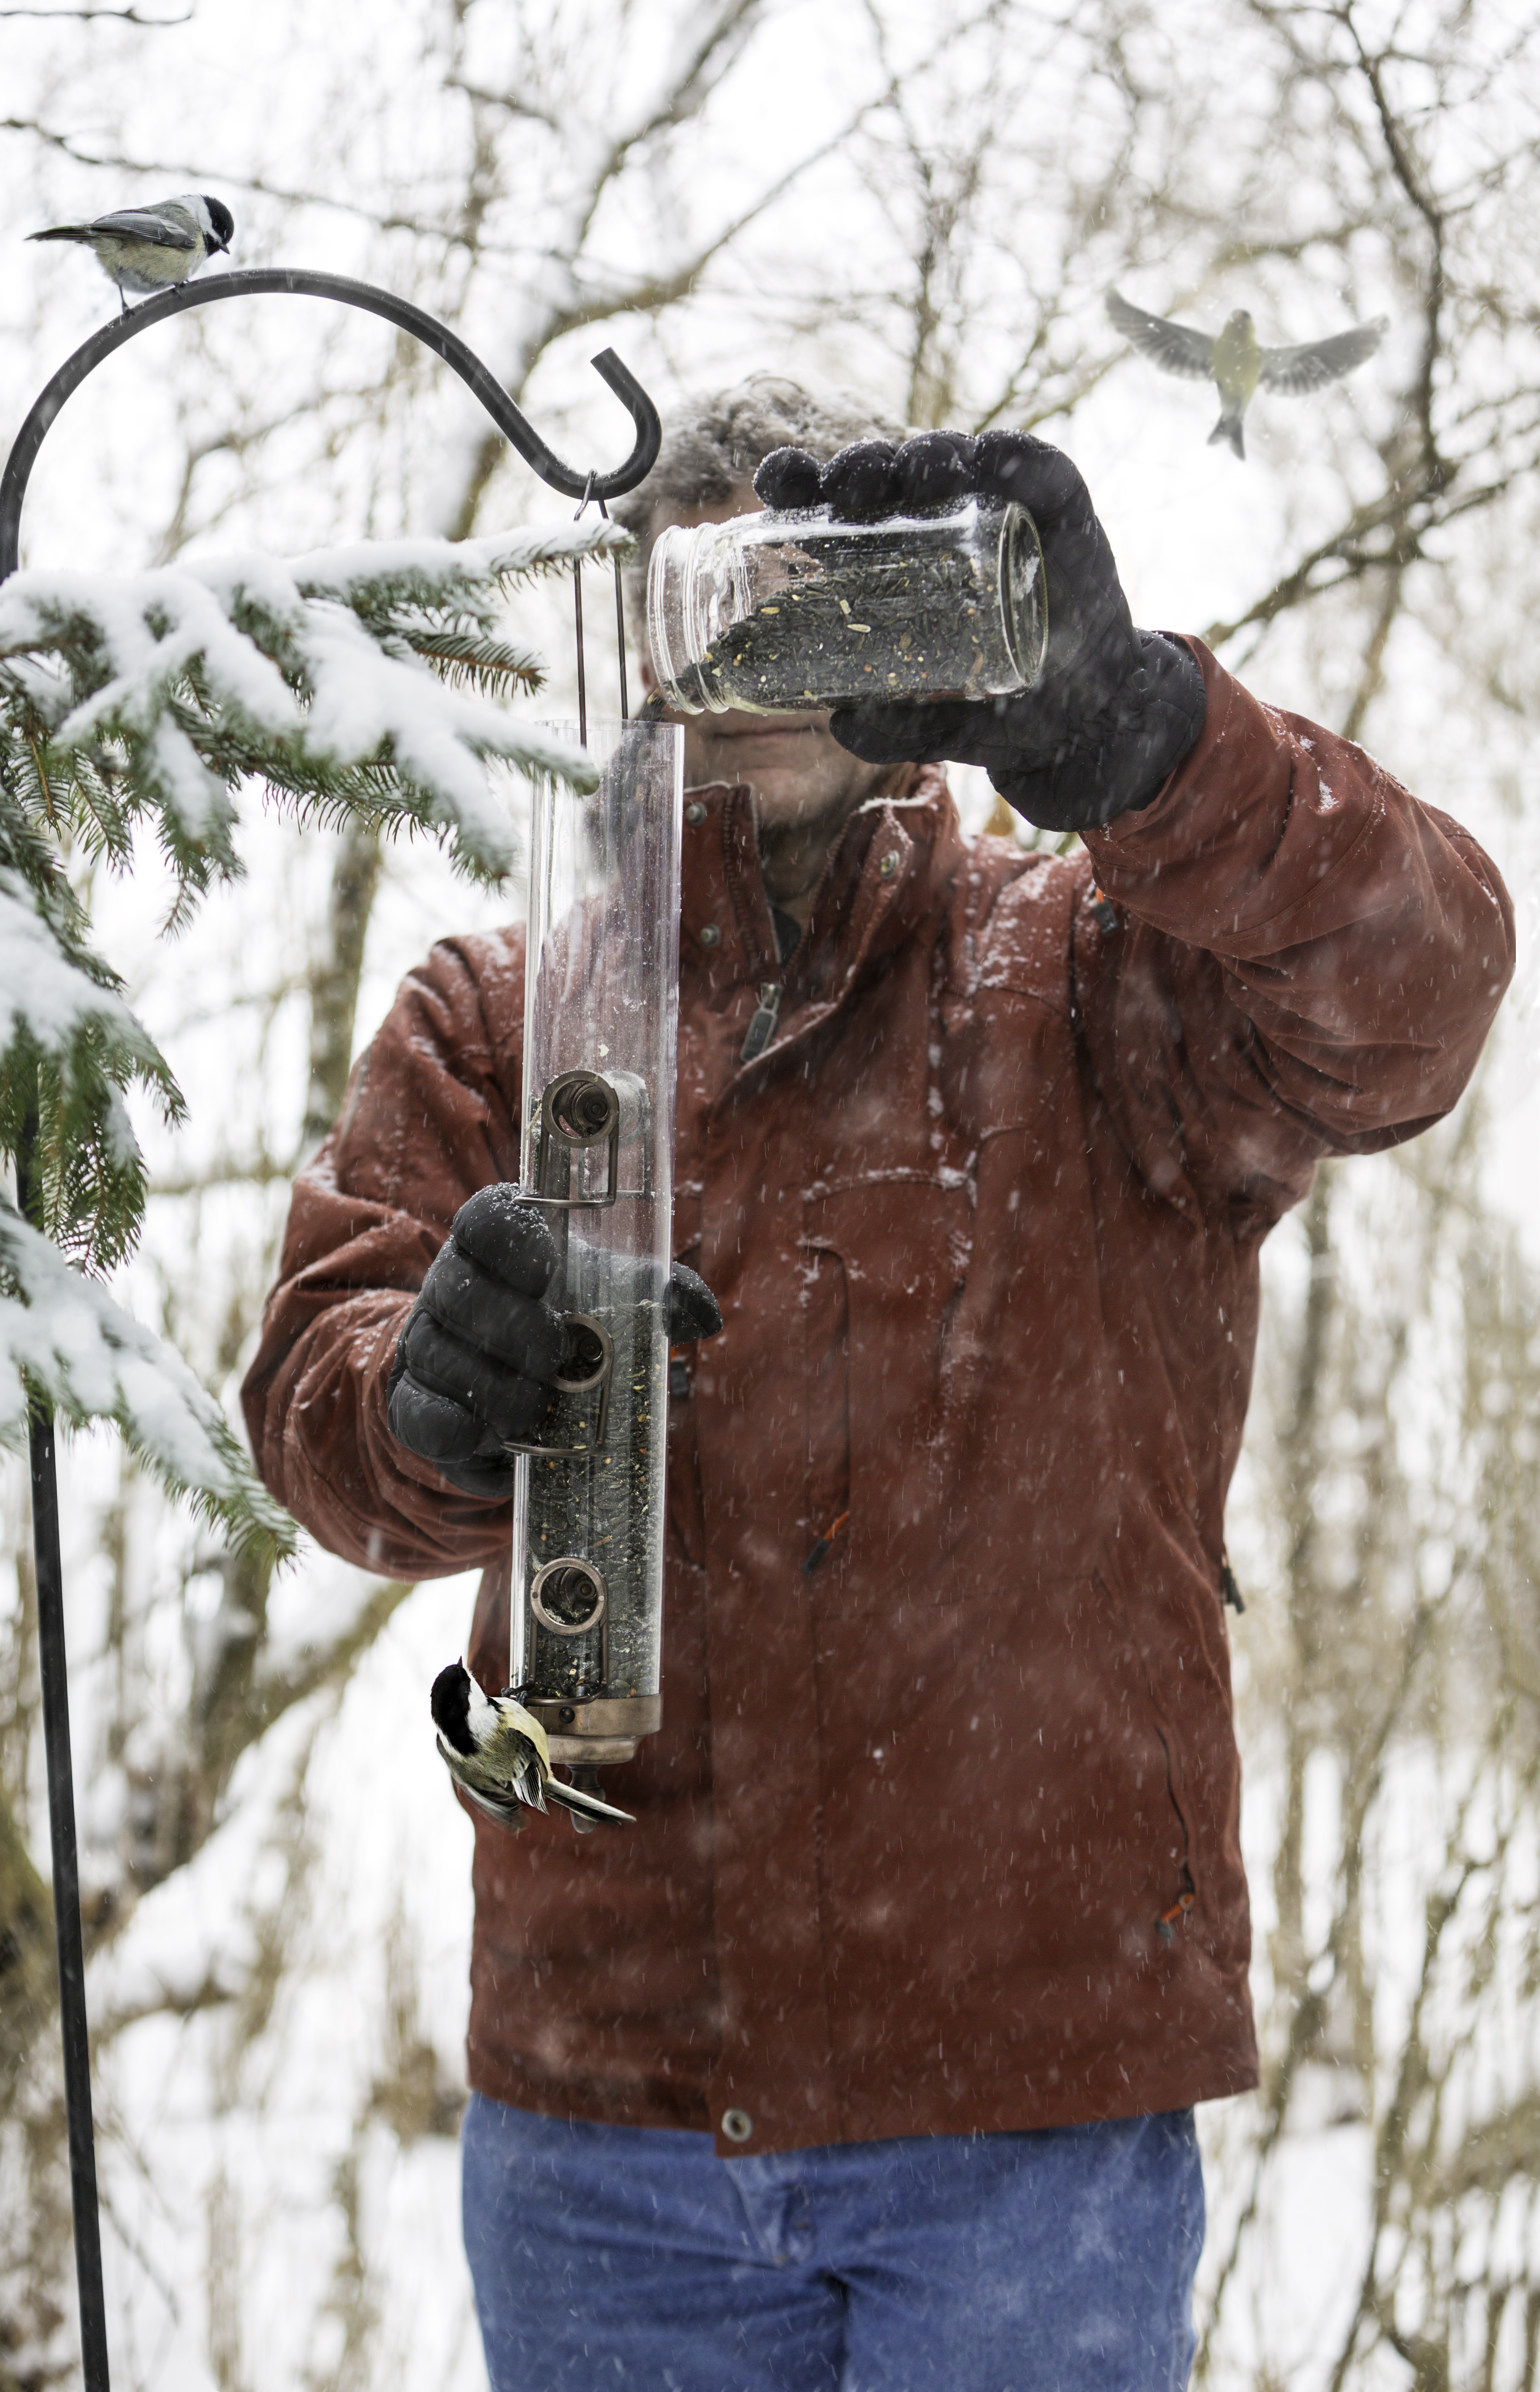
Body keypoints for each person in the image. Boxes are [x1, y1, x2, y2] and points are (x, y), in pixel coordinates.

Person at [241, 377, 1514, 2390]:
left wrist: (1157, 743)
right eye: (703, 594)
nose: (753, 648)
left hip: (1027, 2111)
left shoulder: (1100, 965)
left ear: (910, 622)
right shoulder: (507, 1014)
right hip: (606, 2124)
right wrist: (421, 1398)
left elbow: (1423, 999)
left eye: (811, 591)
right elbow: (320, 1402)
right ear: (634, 638)